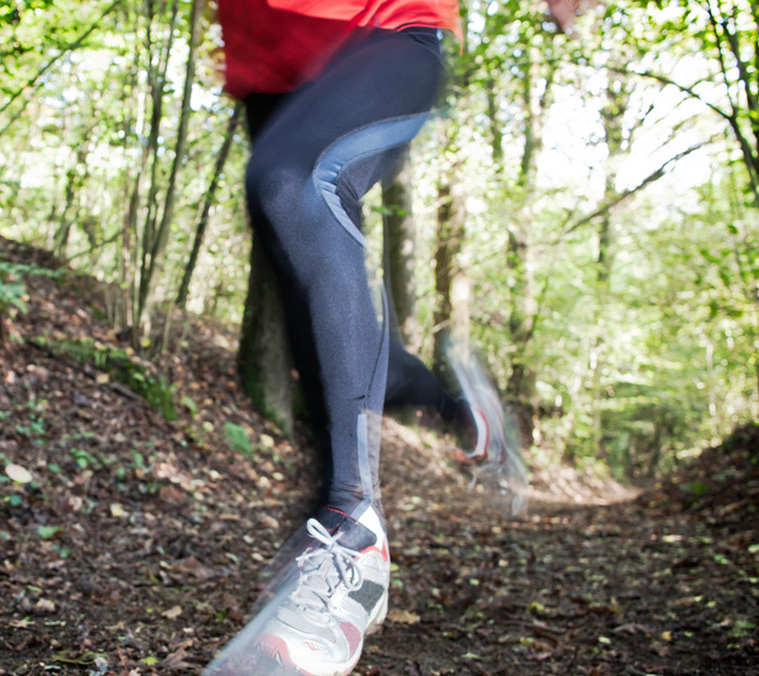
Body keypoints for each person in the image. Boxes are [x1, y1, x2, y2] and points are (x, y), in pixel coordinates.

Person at [208, 1, 578, 673]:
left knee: (299, 182)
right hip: (269, 69)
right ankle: (456, 406)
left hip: (389, 30)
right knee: (312, 336)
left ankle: (352, 541)